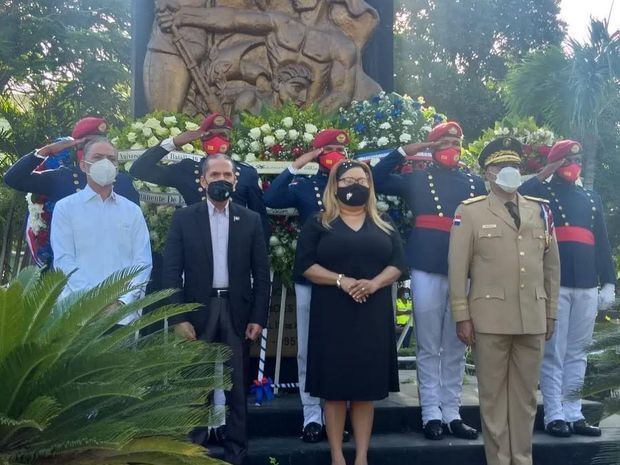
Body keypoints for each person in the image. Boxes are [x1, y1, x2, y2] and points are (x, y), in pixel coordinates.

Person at [448, 137, 560, 465]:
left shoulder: (540, 210)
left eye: (514, 167)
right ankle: (498, 461)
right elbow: (458, 268)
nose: (509, 172)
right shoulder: (469, 212)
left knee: (525, 399)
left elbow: (551, 265)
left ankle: (522, 460)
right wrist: (461, 314)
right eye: (501, 167)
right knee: (493, 398)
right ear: (488, 174)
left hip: (533, 316)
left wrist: (550, 311)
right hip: (489, 317)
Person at [372, 121, 485, 440]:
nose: (452, 146)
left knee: (455, 344)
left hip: (464, 267)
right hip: (426, 262)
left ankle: (452, 412)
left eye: (456, 141)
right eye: (444, 141)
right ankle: (430, 412)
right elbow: (376, 179)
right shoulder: (417, 179)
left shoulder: (475, 183)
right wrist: (406, 151)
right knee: (428, 344)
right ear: (431, 146)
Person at [294, 159, 406, 465]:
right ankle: (336, 456)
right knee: (334, 388)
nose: (354, 185)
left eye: (361, 180)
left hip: (372, 312)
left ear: (369, 186)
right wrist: (341, 281)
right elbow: (304, 266)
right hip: (332, 313)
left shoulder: (383, 222)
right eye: (348, 181)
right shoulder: (319, 222)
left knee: (363, 389)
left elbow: (398, 263)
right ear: (335, 185)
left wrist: (374, 283)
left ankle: (361, 457)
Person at [162, 153, 270, 465]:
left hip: (237, 312)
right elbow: (171, 273)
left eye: (227, 175)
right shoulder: (184, 218)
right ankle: (195, 454)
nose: (221, 181)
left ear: (235, 181)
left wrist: (258, 318)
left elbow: (261, 274)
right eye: (215, 175)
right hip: (198, 311)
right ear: (203, 180)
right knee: (197, 388)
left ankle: (237, 454)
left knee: (237, 390)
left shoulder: (249, 220)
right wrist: (178, 317)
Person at [519, 140, 616, 437]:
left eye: (576, 159)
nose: (573, 165)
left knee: (578, 352)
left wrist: (609, 281)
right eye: (567, 160)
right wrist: (547, 170)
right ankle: (554, 413)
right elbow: (519, 193)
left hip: (587, 283)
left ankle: (574, 413)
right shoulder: (542, 193)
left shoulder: (590, 197)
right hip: (556, 283)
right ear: (557, 164)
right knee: (554, 352)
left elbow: (601, 241)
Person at [264, 128, 348, 442]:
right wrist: (298, 164)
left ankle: (339, 414)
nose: (338, 155)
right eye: (330, 150)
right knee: (308, 350)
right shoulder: (303, 185)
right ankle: (311, 416)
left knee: (341, 349)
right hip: (311, 275)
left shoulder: (352, 184)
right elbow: (270, 199)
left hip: (347, 278)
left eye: (342, 150)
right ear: (319, 154)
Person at [50, 138, 152, 326]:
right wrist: (95, 302)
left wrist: (122, 301)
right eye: (97, 157)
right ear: (83, 165)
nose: (105, 163)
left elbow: (143, 262)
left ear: (117, 167)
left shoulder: (132, 211)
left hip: (122, 315)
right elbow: (64, 259)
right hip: (78, 313)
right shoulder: (65, 208)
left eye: (111, 159)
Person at [129, 113, 269, 239]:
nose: (217, 140)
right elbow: (139, 170)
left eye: (223, 135)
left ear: (230, 140)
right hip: (199, 251)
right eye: (210, 135)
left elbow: (261, 224)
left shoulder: (246, 174)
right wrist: (173, 143)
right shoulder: (188, 170)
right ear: (202, 141)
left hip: (237, 252)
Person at [3, 116, 140, 205]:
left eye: (103, 142)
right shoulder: (62, 178)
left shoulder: (123, 181)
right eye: (92, 143)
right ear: (78, 146)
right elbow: (14, 179)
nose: (101, 149)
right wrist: (47, 150)